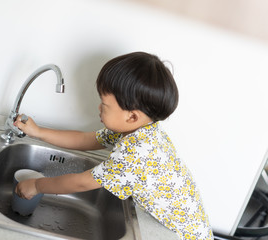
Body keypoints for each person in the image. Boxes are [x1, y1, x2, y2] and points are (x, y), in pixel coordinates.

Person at [14, 52, 213, 240]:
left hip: (181, 235)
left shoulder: (136, 154)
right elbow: (86, 139)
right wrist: (38, 132)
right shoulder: (137, 129)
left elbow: (82, 183)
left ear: (132, 116)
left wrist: (36, 185)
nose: (99, 107)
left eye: (104, 104)